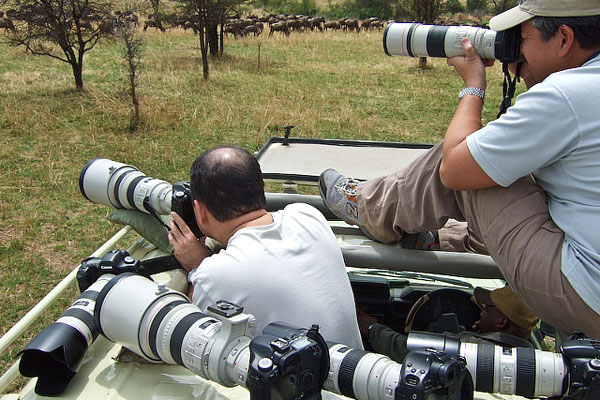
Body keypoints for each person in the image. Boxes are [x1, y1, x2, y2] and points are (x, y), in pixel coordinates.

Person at [319, 0, 600, 339]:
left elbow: (455, 169)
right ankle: (440, 236)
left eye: (522, 38)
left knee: (469, 161)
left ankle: (368, 207)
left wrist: (473, 86)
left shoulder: (568, 95)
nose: (515, 49)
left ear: (565, 38)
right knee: (499, 163)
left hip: (582, 291)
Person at [168, 145, 363, 349]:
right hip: (353, 370)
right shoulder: (307, 215)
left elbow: (194, 340)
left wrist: (196, 268)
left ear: (199, 210)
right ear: (260, 189)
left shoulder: (213, 275)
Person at [358, 285, 539, 362]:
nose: (482, 313)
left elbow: (408, 352)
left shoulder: (471, 349)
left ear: (501, 322)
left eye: (488, 310)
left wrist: (372, 327)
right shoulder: (538, 360)